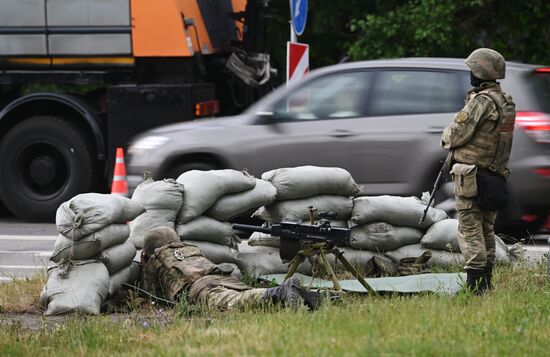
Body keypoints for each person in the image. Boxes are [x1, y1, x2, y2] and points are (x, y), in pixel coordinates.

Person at [441, 48, 516, 294]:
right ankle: (487, 283)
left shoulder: (481, 102)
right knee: (486, 229)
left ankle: (476, 287)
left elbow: (454, 135)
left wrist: (446, 137)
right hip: (494, 175)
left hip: (472, 177)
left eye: (472, 70)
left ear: (479, 72)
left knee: (470, 229)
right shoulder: (505, 101)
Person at [140, 226, 321, 310]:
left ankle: (281, 292)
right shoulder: (190, 248)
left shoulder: (155, 260)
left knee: (234, 303)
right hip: (222, 276)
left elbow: (151, 295)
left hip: (200, 288)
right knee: (249, 295)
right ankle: (304, 296)